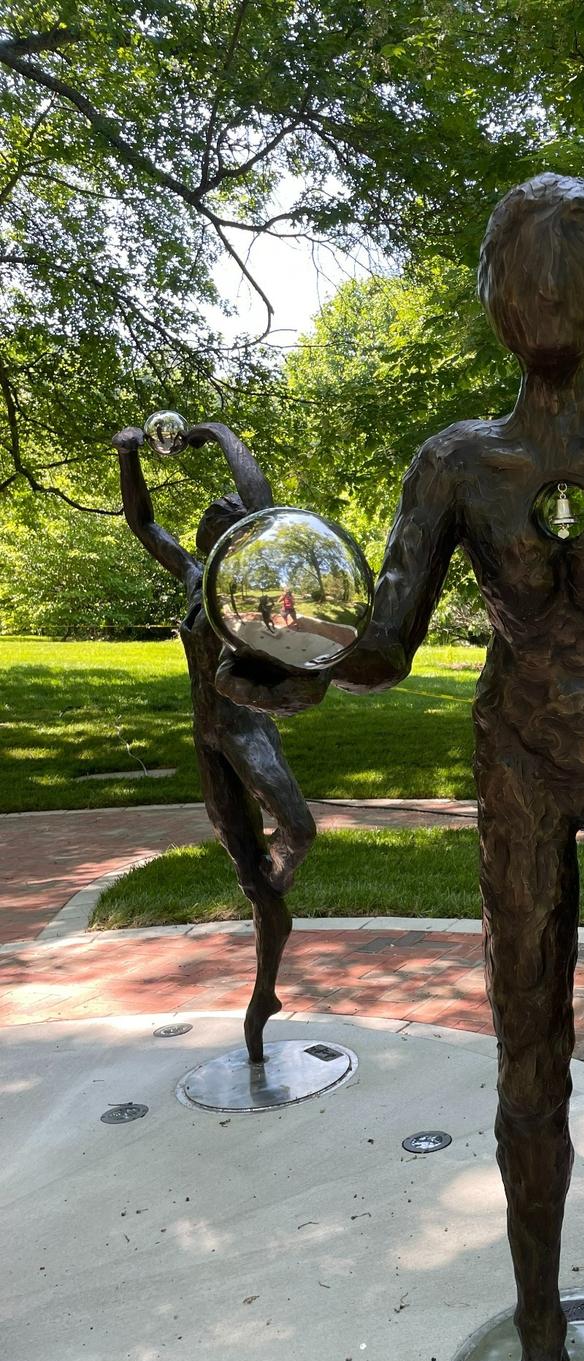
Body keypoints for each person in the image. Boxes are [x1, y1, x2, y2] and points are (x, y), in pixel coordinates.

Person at [219, 174, 584, 1361]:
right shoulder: (456, 463)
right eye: (524, 270)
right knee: (529, 1048)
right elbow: (389, 642)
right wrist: (289, 650)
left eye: (570, 270)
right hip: (517, 761)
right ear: (493, 301)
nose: (547, 292)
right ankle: (536, 1329)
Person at [112, 421, 316, 1064]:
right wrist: (129, 456)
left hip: (246, 729)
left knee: (299, 831)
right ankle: (263, 997)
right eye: (217, 516)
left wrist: (217, 432)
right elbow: (143, 524)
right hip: (209, 741)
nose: (226, 516)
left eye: (235, 519)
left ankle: (274, 907)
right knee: (249, 877)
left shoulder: (246, 590)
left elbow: (256, 501)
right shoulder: (194, 576)